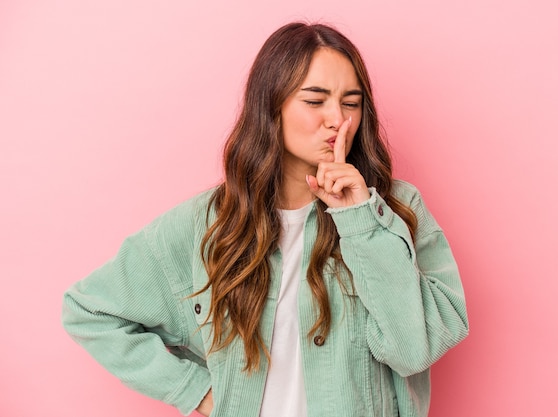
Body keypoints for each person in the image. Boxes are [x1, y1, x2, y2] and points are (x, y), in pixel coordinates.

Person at [62, 21, 469, 417]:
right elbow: (89, 310)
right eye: (315, 101)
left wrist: (359, 218)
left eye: (350, 102)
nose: (337, 120)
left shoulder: (397, 210)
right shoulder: (207, 224)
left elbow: (412, 350)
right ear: (271, 105)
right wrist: (196, 391)